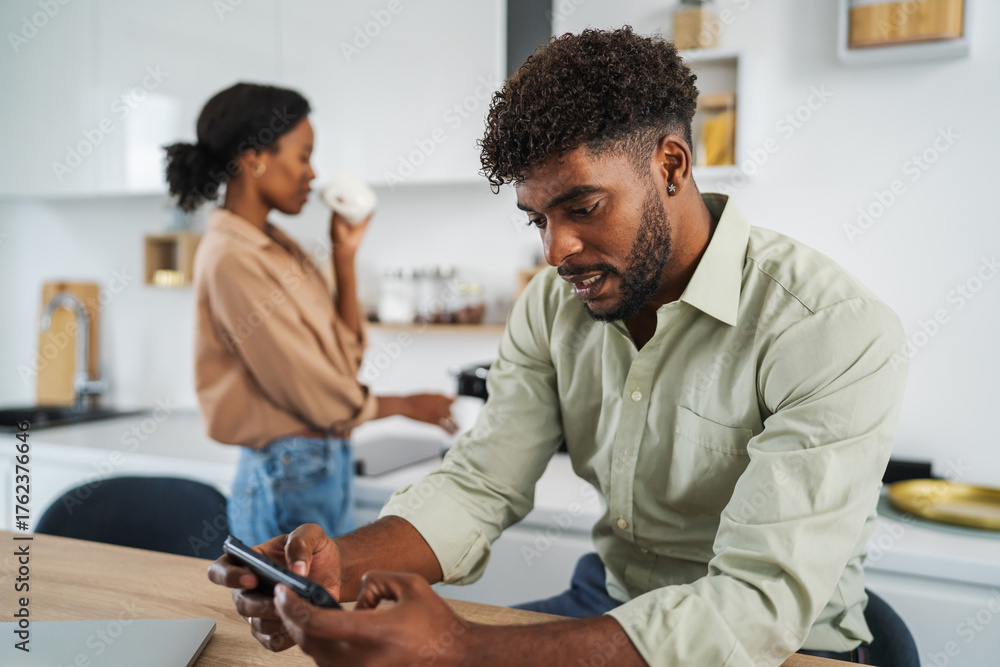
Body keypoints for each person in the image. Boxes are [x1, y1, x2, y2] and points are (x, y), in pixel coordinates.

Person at [208, 29, 912, 666]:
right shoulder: (553, 307)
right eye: (537, 218)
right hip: (607, 606)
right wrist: (337, 562)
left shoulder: (830, 329)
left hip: (789, 650)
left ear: (671, 165)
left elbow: (755, 606)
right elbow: (483, 484)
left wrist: (461, 648)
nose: (557, 251)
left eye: (583, 207)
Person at [165, 82, 458, 547]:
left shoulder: (278, 247)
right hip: (287, 470)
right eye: (303, 157)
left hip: (317, 461)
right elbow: (312, 389)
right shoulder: (231, 257)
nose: (312, 174)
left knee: (320, 613)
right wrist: (402, 405)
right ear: (255, 157)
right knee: (292, 615)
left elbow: (344, 359)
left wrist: (344, 258)